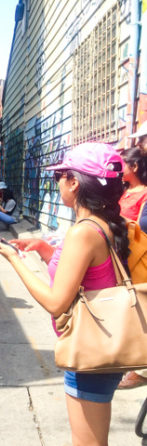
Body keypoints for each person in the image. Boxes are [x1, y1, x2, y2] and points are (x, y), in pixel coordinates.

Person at [0, 142, 129, 445]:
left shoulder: (84, 232)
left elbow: (56, 303)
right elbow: (91, 274)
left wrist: (13, 259)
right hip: (101, 346)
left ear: (75, 182)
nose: (57, 184)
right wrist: (45, 250)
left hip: (90, 352)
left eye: (60, 177)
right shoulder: (101, 224)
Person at [117, 147, 147, 389]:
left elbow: (141, 230)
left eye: (123, 164)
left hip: (137, 259)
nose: (120, 168)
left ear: (134, 167)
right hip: (121, 258)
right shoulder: (125, 192)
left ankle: (140, 369)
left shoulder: (144, 195)